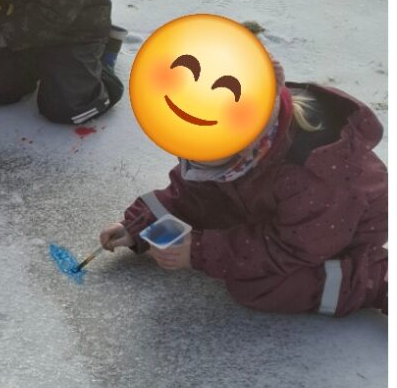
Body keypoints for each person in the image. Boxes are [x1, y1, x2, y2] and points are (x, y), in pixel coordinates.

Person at [105, 72, 386, 316]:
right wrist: (138, 224)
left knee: (259, 286)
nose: (195, 166)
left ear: (248, 149)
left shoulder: (311, 173)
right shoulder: (238, 142)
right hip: (272, 206)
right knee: (217, 202)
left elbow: (291, 248)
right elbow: (191, 193)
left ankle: (371, 279)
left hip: (339, 232)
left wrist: (199, 251)